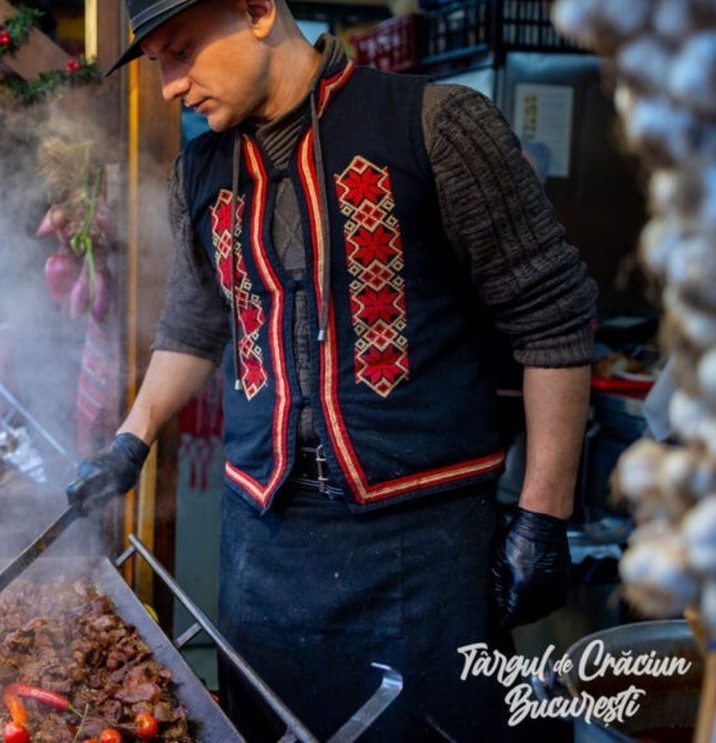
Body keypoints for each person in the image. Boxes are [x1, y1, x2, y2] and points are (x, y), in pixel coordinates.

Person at [66, 1, 597, 740]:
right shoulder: (198, 172)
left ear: (257, 11)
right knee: (265, 722)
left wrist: (543, 513)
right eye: (158, 61)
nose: (170, 86)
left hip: (420, 542)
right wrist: (132, 438)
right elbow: (194, 325)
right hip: (262, 544)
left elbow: (554, 316)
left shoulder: (438, 126)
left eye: (181, 51)